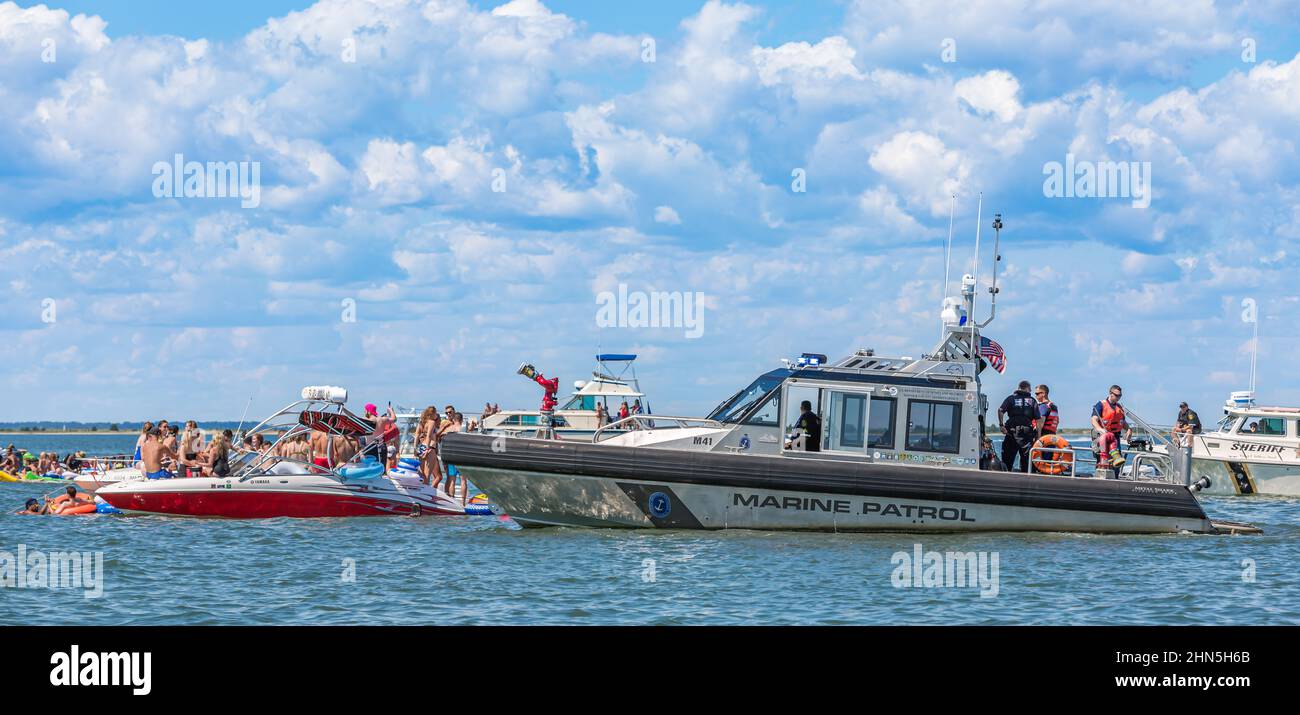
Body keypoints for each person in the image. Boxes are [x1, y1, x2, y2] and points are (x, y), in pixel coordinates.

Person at [998, 380, 1038, 472]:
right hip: (1026, 432)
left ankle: (1006, 476)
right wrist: (1038, 435)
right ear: (1027, 388)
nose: (1031, 391)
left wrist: (1001, 425)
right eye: (1030, 390)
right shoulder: (1032, 401)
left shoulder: (1010, 398)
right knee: (1026, 459)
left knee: (1007, 458)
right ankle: (1026, 479)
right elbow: (1038, 419)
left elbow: (1000, 410)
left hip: (1011, 431)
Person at [1090, 385, 1132, 469]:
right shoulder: (1101, 404)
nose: (1118, 397)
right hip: (1103, 436)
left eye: (1120, 395)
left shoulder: (1119, 407)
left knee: (1117, 460)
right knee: (1102, 460)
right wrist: (1100, 429)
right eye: (1116, 395)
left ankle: (1115, 478)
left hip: (1115, 437)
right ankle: (1100, 477)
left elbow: (1123, 422)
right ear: (1110, 393)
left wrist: (1129, 430)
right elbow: (1093, 419)